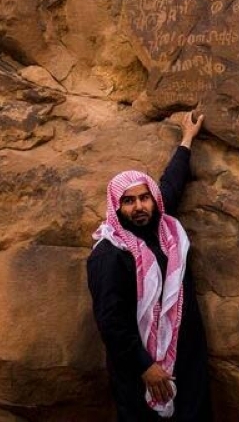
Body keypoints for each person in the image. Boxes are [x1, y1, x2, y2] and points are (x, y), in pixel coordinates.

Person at [87, 111, 211, 421]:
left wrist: (187, 137)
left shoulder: (162, 228)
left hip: (185, 356)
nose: (139, 206)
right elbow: (111, 320)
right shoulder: (111, 252)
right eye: (129, 202)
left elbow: (172, 182)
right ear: (117, 208)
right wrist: (145, 366)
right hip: (141, 370)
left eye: (144, 198)